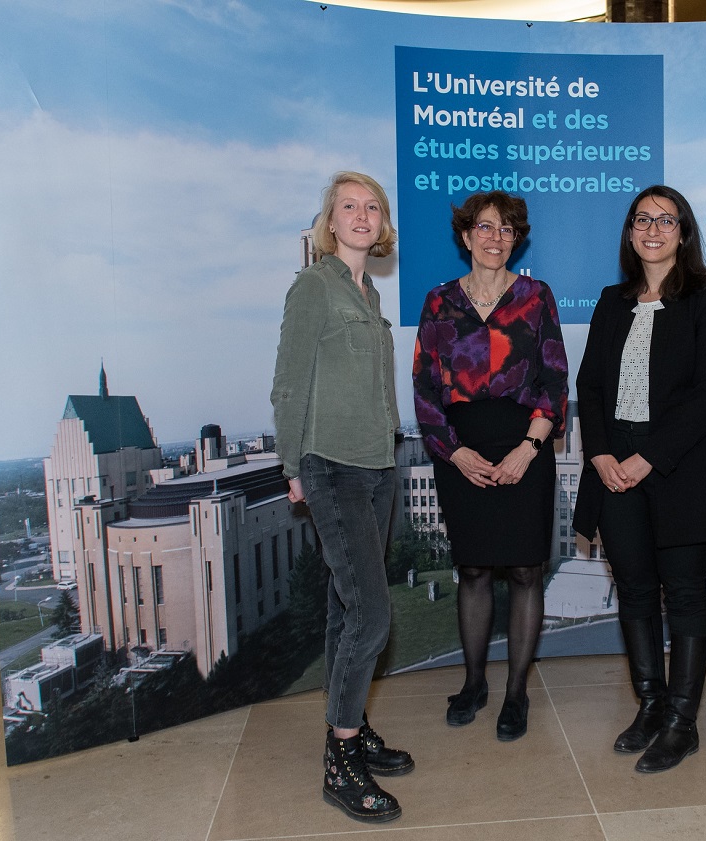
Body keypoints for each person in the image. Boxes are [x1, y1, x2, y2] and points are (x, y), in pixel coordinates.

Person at [572, 185, 706, 773]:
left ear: (683, 233)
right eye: (643, 219)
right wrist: (601, 456)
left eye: (667, 220)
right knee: (635, 591)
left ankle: (682, 723)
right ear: (631, 231)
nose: (654, 229)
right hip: (614, 467)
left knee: (685, 594)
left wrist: (651, 457)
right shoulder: (612, 302)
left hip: (678, 466)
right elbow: (589, 386)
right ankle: (650, 705)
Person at [271, 172, 412, 823]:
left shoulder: (367, 288)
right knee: (372, 614)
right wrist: (292, 464)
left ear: (382, 223)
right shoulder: (314, 287)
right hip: (331, 467)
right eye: (348, 206)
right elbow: (289, 385)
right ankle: (341, 757)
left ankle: (345, 723)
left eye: (371, 206)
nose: (361, 215)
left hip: (378, 465)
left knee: (342, 604)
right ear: (330, 221)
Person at [413, 191, 568, 742]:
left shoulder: (537, 297)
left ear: (516, 238)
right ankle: (474, 683)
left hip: (526, 440)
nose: (495, 237)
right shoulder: (437, 302)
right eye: (485, 227)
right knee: (474, 570)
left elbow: (555, 382)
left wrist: (529, 448)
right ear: (465, 235)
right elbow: (425, 389)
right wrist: (454, 452)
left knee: (526, 571)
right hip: (461, 448)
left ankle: (516, 693)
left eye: (507, 229)